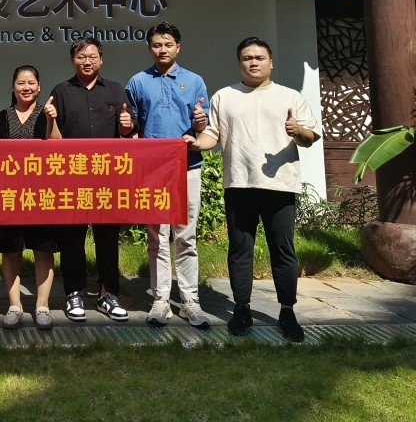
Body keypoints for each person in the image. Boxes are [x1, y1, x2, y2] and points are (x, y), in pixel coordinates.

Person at [187, 37, 320, 342]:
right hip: (239, 183)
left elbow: (310, 138)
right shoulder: (224, 96)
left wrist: (297, 130)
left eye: (259, 57)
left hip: (280, 186)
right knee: (239, 249)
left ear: (271, 62)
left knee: (283, 250)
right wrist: (197, 143)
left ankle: (287, 311)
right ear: (240, 63)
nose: (254, 62)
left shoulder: (289, 96)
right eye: (247, 58)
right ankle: (241, 309)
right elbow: (212, 135)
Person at [124, 22, 211, 329]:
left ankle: (190, 301)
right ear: (150, 48)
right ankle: (160, 299)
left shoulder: (194, 81)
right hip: (153, 170)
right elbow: (132, 126)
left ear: (178, 47)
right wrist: (126, 126)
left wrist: (200, 123)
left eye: (168, 44)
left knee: (186, 236)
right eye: (157, 45)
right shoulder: (138, 82)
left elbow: (204, 127)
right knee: (157, 237)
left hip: (188, 166)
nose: (163, 49)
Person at [48, 37, 134, 323]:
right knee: (72, 238)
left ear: (101, 60)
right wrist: (51, 118)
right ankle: (74, 292)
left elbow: (127, 132)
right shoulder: (61, 91)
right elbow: (52, 138)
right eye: (81, 57)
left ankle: (108, 294)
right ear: (72, 60)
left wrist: (126, 126)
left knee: (107, 238)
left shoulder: (115, 89)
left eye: (92, 56)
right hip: (71, 178)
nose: (87, 61)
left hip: (107, 178)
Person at [0, 65, 61, 330]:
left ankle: (42, 306)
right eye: (21, 83)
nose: (26, 87)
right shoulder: (0, 118)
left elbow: (59, 149)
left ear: (39, 87)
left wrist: (52, 121)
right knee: (11, 250)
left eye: (31, 83)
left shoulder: (47, 114)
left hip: (42, 194)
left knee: (43, 250)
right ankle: (14, 305)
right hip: (8, 195)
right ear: (13, 87)